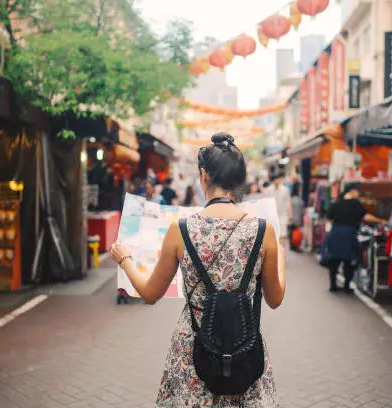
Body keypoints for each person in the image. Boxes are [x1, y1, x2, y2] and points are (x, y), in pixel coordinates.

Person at [110, 133, 285, 407]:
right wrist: (280, 257)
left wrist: (125, 259)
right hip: (244, 348)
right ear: (239, 180)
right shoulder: (264, 231)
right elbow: (274, 299)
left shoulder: (180, 230)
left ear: (203, 176)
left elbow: (149, 293)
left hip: (194, 351)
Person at [322, 182, 387, 293]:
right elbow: (366, 216)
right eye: (357, 191)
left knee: (334, 260)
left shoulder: (336, 203)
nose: (358, 193)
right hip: (348, 234)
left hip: (335, 233)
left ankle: (333, 285)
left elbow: (328, 217)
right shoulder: (355, 204)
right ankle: (347, 286)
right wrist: (381, 220)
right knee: (349, 260)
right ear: (352, 191)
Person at [270, 175, 292, 245]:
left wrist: (290, 214)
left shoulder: (285, 190)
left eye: (278, 179)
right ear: (273, 181)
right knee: (273, 235)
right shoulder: (268, 190)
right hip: (272, 216)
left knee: (282, 234)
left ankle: (281, 251)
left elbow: (288, 202)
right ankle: (275, 252)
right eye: (275, 180)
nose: (277, 181)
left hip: (283, 215)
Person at [289, 182, 304, 251]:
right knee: (295, 234)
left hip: (292, 219)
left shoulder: (291, 198)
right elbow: (300, 211)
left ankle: (293, 246)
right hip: (296, 219)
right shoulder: (298, 199)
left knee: (292, 233)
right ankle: (295, 246)